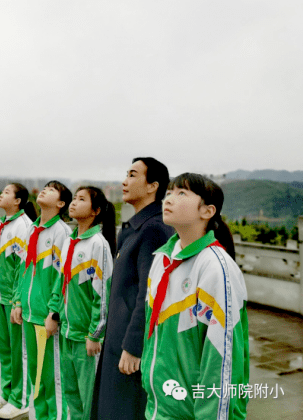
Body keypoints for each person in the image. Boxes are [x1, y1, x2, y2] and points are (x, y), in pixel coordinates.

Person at [142, 173, 249, 419]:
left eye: (181, 193)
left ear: (207, 211)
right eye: (168, 193)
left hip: (193, 413)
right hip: (158, 408)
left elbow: (221, 361)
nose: (168, 199)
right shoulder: (162, 259)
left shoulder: (216, 268)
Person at [92, 157, 174, 420]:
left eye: (132, 175)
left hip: (128, 341)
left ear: (152, 186)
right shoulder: (136, 228)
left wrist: (134, 345)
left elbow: (149, 294)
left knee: (123, 408)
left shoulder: (153, 230)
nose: (124, 181)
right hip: (117, 334)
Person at [47, 186, 115, 420]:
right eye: (74, 198)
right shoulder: (69, 241)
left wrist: (95, 334)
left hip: (86, 337)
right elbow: (60, 283)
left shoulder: (98, 245)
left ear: (95, 211)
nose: (74, 203)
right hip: (67, 332)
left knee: (89, 397)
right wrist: (53, 313)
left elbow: (103, 295)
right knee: (70, 391)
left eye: (81, 199)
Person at [11, 180, 72, 420]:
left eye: (52, 189)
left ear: (60, 203)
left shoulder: (62, 232)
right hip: (28, 310)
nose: (45, 190)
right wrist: (17, 301)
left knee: (52, 377)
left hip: (46, 315)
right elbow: (22, 269)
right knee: (35, 374)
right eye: (44, 187)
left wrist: (54, 312)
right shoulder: (32, 229)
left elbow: (62, 277)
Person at [0, 183, 35, 419]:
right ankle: (7, 393)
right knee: (4, 350)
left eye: (6, 192)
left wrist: (17, 301)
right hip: (1, 296)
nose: (1, 195)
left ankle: (21, 399)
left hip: (14, 301)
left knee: (19, 351)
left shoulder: (24, 226)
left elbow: (22, 269)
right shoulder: (1, 224)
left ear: (18, 201)